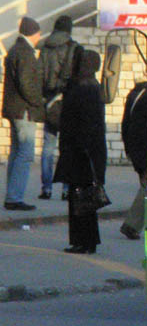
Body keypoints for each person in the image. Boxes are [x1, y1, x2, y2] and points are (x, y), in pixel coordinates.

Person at [54, 49, 107, 254]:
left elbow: (80, 122)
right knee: (83, 199)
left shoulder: (85, 89)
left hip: (82, 152)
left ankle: (83, 241)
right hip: (85, 151)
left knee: (81, 198)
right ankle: (85, 241)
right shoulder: (91, 87)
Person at [3, 16, 44, 211]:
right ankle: (14, 197)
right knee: (25, 154)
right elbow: (26, 83)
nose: (40, 36)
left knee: (16, 152)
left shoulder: (14, 49)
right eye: (38, 32)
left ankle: (12, 195)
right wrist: (38, 101)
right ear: (33, 33)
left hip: (14, 109)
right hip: (24, 110)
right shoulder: (26, 53)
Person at [37, 15, 79, 200]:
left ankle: (46, 189)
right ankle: (66, 190)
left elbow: (39, 74)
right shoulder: (74, 47)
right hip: (68, 102)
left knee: (48, 146)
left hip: (50, 102)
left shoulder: (45, 48)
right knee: (67, 148)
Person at [120, 78, 147, 240]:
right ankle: (132, 225)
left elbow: (125, 123)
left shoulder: (136, 93)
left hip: (135, 148)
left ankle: (135, 224)